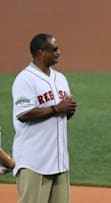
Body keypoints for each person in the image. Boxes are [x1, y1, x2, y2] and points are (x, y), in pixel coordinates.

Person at [11, 33, 77, 203]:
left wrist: (68, 110)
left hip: (59, 159)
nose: (59, 52)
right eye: (54, 49)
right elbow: (23, 114)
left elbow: (62, 113)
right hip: (34, 161)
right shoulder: (25, 79)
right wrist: (57, 108)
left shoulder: (60, 78)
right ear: (41, 52)